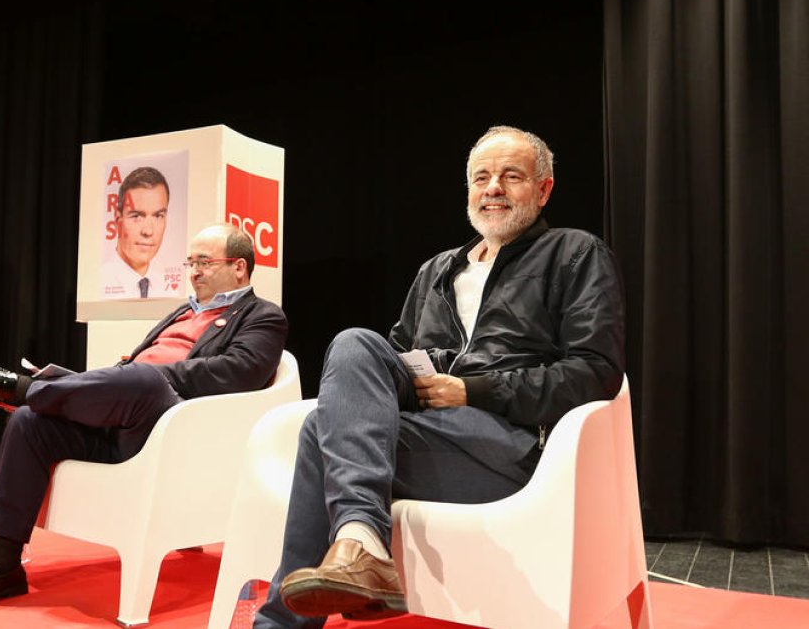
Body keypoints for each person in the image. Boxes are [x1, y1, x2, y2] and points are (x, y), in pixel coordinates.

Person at [255, 126, 626, 627]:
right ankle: (360, 541)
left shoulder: (575, 254)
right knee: (354, 342)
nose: (492, 187)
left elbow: (595, 373)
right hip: (429, 428)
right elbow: (396, 356)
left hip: (511, 444)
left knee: (320, 433)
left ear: (543, 189)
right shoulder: (436, 271)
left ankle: (294, 609)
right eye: (481, 177)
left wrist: (474, 389)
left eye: (511, 175)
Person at [0, 223, 288, 606]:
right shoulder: (180, 312)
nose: (193, 271)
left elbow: (237, 372)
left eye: (204, 262)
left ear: (239, 267)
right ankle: (3, 564)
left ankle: (23, 391)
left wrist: (148, 375)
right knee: (29, 423)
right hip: (127, 421)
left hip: (177, 429)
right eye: (190, 261)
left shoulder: (263, 316)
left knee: (142, 378)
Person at [101, 166, 170, 298]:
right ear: (117, 219)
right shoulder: (97, 284)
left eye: (158, 216)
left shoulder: (169, 291)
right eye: (136, 216)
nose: (148, 231)